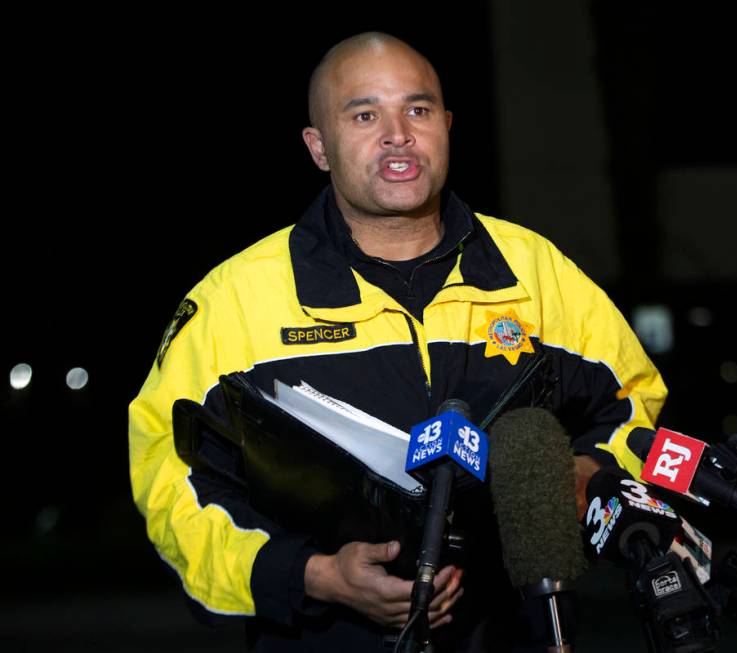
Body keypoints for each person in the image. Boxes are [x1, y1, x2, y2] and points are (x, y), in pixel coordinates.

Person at [128, 32, 667, 651]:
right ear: (318, 147)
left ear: (446, 125)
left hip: (515, 631)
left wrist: (584, 473)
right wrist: (312, 575)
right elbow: (169, 479)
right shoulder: (233, 302)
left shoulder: (535, 272)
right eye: (364, 115)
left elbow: (634, 404)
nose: (398, 134)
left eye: (418, 109)